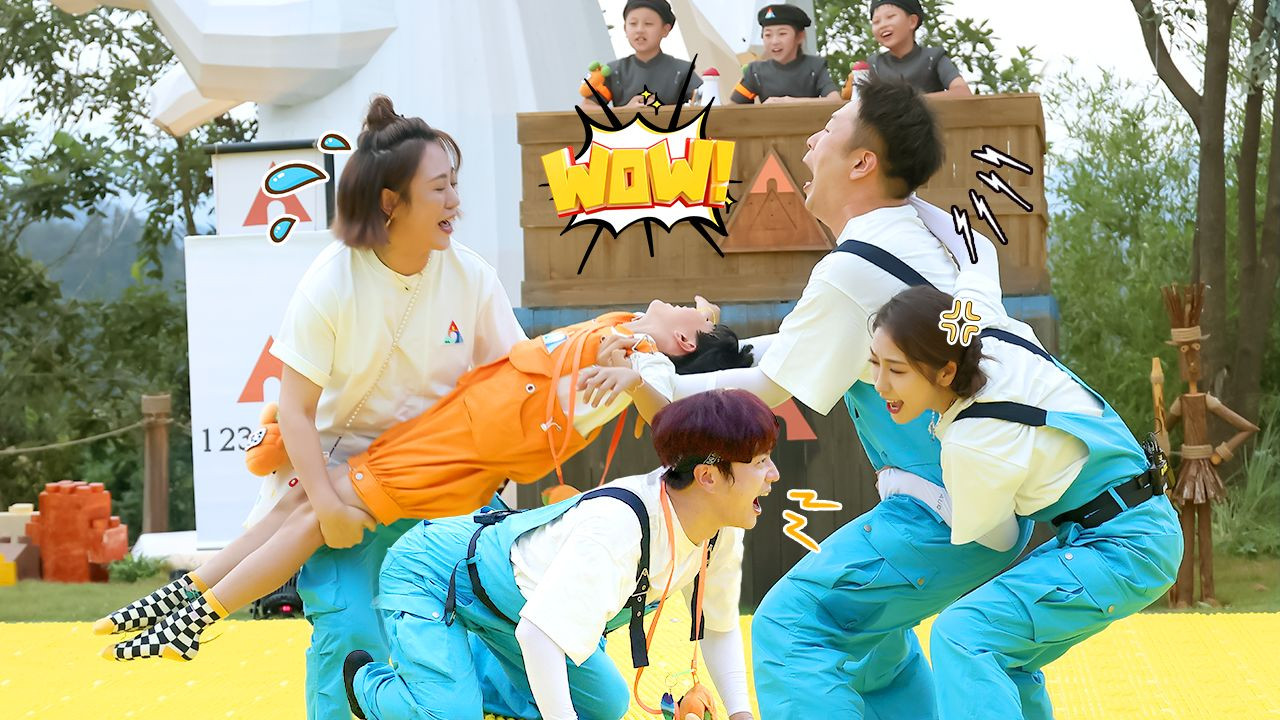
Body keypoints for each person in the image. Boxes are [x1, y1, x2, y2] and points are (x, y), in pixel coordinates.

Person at [94, 95, 528, 713]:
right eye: (439, 188)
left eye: (454, 184)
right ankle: (186, 607)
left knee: (471, 621)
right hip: (334, 469)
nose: (455, 201)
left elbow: (515, 380)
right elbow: (295, 410)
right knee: (349, 623)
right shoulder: (333, 279)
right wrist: (329, 506)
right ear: (391, 202)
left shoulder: (472, 277)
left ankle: (188, 607)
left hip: (436, 480)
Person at [626, 78, 1033, 719]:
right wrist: (693, 357)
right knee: (868, 650)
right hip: (986, 501)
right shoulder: (910, 241)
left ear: (862, 162)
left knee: (792, 627)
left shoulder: (856, 265)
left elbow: (771, 384)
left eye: (829, 128)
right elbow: (794, 351)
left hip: (945, 507)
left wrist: (651, 379)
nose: (811, 143)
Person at [97, 299, 754, 663]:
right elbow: (687, 346)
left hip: (452, 459)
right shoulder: (628, 329)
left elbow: (666, 407)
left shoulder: (644, 358)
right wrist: (685, 329)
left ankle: (193, 621)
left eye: (693, 318)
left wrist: (638, 375)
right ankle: (176, 600)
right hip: (449, 430)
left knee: (309, 517)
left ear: (682, 344)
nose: (683, 303)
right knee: (297, 505)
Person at [343, 389, 777, 720]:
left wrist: (740, 714)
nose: (773, 474)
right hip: (436, 573)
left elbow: (718, 627)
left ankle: (468, 673)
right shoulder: (619, 527)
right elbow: (538, 635)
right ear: (707, 476)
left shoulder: (719, 531)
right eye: (760, 462)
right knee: (453, 716)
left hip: (517, 610)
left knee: (605, 705)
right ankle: (370, 686)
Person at [869, 281, 1182, 719]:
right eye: (874, 363)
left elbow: (1000, 539)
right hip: (1133, 528)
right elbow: (978, 264)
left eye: (897, 370)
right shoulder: (994, 333)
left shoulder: (970, 443)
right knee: (1003, 653)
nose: (880, 384)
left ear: (944, 372)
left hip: (1124, 547)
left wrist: (906, 484)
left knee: (964, 633)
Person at [581, 0, 702, 109]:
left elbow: (705, 102)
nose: (639, 30)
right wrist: (624, 111)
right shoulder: (614, 71)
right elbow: (587, 107)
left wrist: (664, 111)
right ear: (625, 29)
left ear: (665, 30)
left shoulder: (682, 70)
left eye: (648, 23)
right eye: (633, 23)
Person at [729, 4, 841, 105]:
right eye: (768, 35)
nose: (774, 41)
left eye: (782, 33)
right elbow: (733, 107)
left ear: (799, 37)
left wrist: (790, 102)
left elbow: (835, 100)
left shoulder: (815, 67)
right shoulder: (755, 72)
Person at [866, 0, 972, 96]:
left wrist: (916, 101)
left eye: (890, 17)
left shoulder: (933, 58)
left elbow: (962, 92)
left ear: (912, 21)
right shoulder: (874, 65)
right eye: (876, 22)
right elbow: (860, 102)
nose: (882, 25)